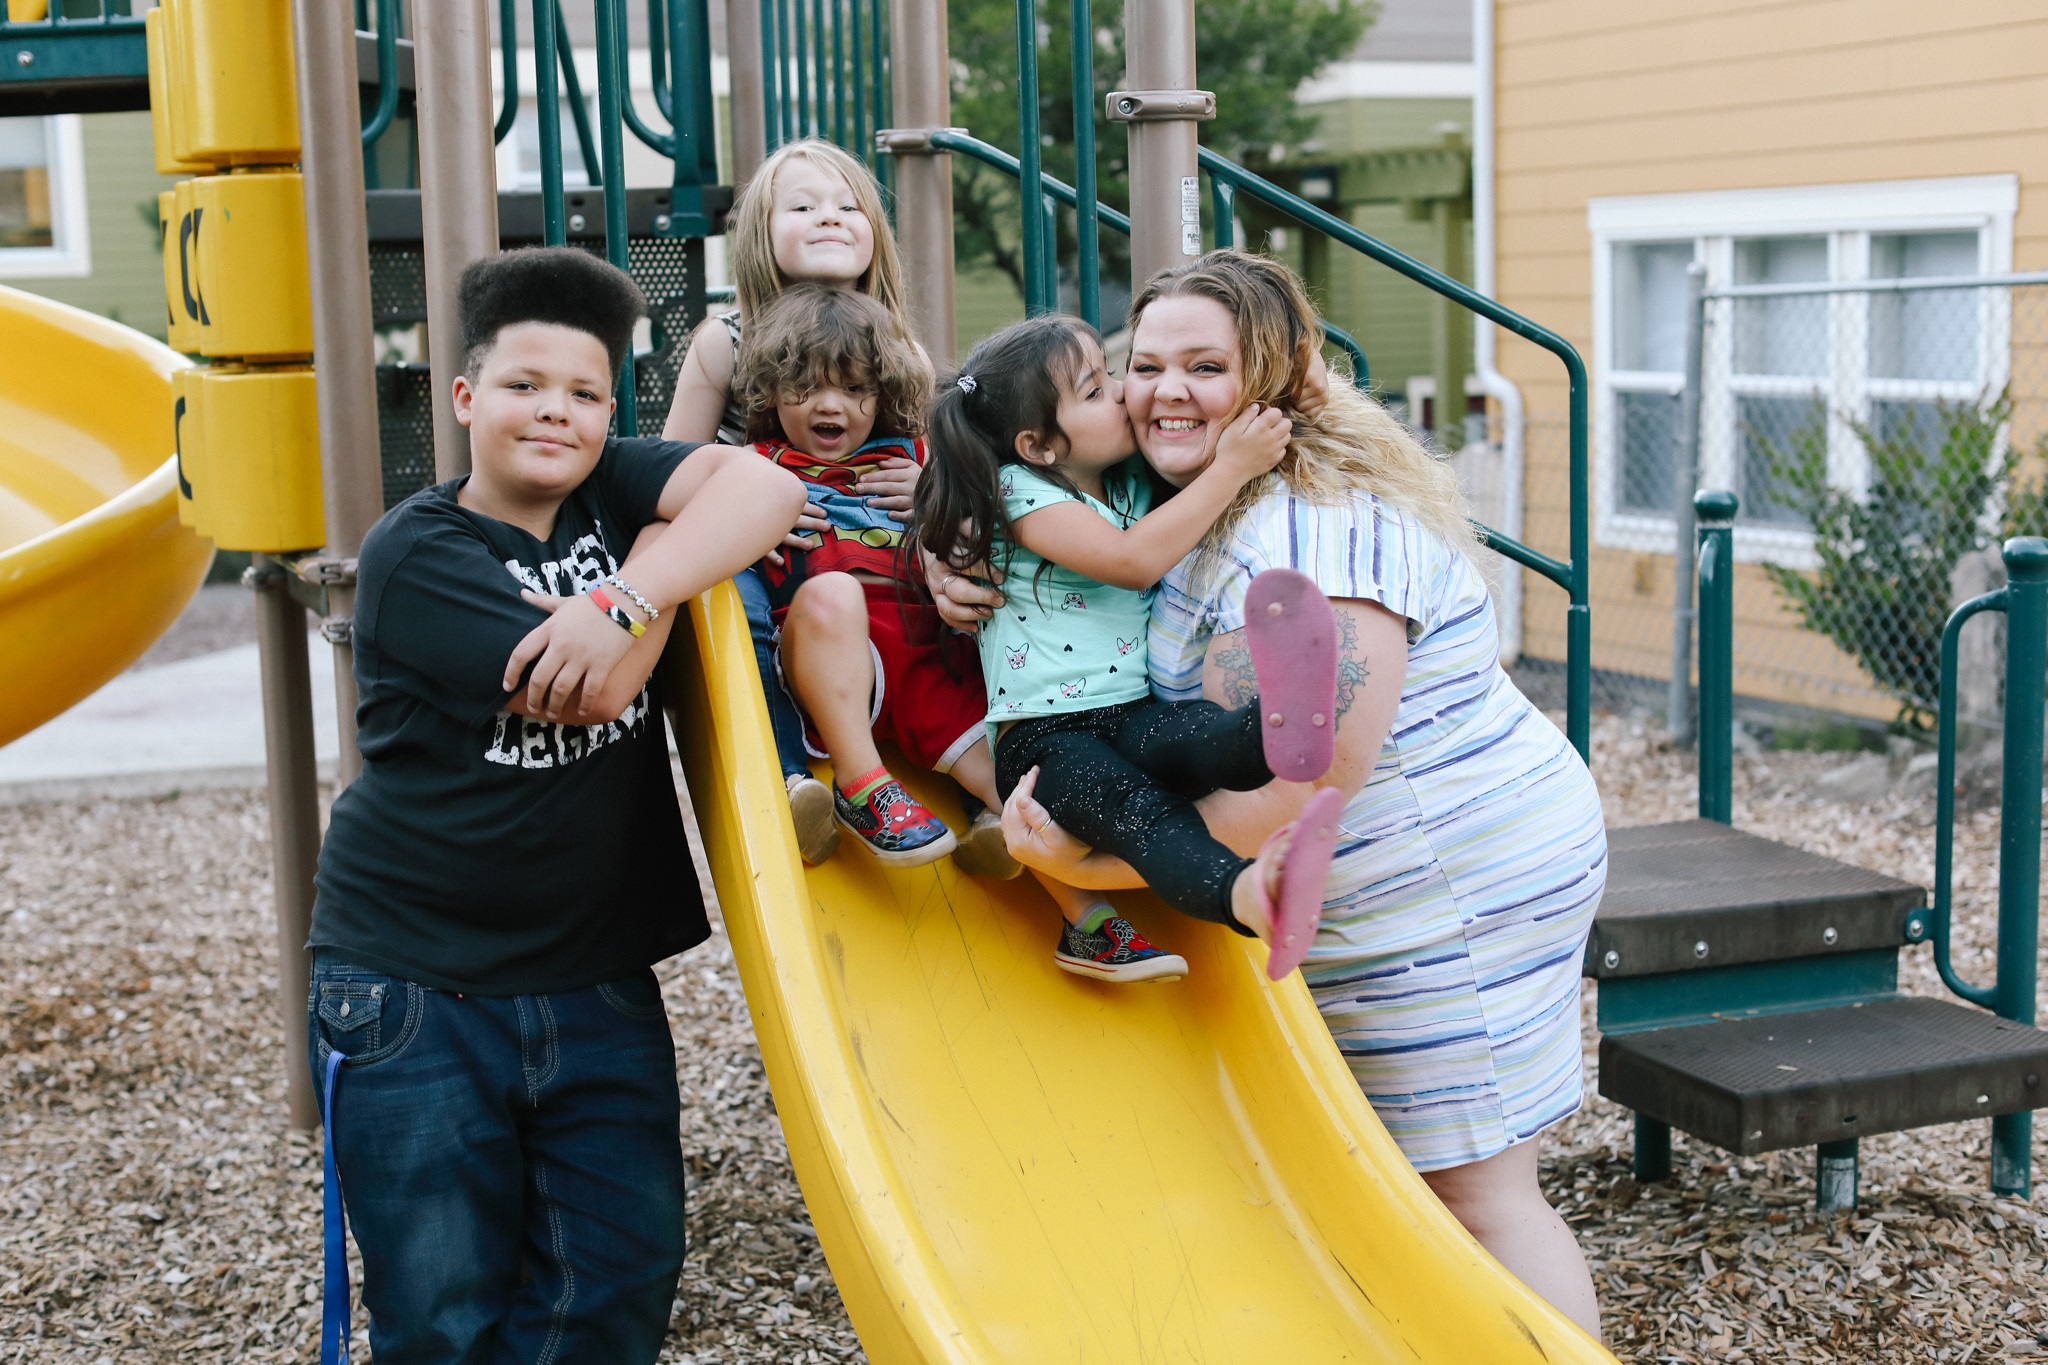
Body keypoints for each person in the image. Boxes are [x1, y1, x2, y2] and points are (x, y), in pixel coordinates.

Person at [926, 250, 1607, 1338]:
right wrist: (954, 562)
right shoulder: (1171, 494)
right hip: (1346, 872)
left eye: (1206, 365)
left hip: (1448, 875)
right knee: (1378, 1185)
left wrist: (1080, 866)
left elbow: (1293, 790)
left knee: (1472, 1196)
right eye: (1141, 365)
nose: (1163, 392)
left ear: (1278, 384)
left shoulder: (1308, 542)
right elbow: (1035, 530)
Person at [307, 247, 806, 1363]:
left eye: (585, 394)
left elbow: (768, 489)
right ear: (466, 397)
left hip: (592, 977)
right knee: (443, 1312)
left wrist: (627, 585)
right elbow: (597, 690)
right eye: (527, 385)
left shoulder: (607, 500)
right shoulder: (418, 550)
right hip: (415, 986)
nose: (557, 413)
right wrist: (665, 569)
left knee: (617, 1279)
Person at [911, 312, 1349, 984]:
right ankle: (1248, 895)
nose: (1121, 393)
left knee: (1199, 735)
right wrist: (1232, 468)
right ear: (1038, 445)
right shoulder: (1018, 493)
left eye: (1112, 374)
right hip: (1045, 742)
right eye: (1093, 390)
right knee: (1142, 813)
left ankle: (1281, 724)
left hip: (1128, 712)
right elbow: (1130, 559)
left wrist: (1305, 371)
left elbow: (1219, 416)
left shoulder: (1124, 477)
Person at [662, 138, 948, 867]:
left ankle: (984, 783)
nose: (830, 217)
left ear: (874, 233)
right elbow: (667, 472)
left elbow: (936, 465)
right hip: (765, 551)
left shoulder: (900, 349)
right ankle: (789, 772)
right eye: (804, 205)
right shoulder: (725, 341)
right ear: (761, 234)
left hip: (863, 555)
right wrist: (744, 512)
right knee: (738, 598)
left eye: (849, 205)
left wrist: (930, 492)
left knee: (957, 584)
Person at [736, 283, 1011, 871]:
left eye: (854, 388)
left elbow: (987, 534)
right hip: (830, 659)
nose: (829, 405)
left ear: (881, 393)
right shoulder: (753, 468)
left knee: (1008, 786)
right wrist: (748, 520)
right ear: (770, 391)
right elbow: (692, 525)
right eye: (804, 387)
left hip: (921, 655)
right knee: (834, 594)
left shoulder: (912, 457)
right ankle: (863, 785)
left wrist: (934, 497)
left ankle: (1084, 911)